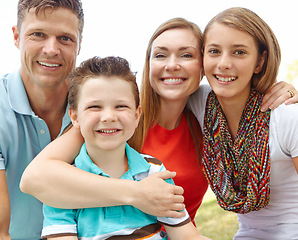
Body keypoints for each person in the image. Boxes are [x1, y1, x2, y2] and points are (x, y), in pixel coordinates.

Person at [20, 16, 298, 229]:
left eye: (187, 55)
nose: (172, 65)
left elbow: (244, 93)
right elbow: (35, 178)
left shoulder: (208, 116)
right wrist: (136, 193)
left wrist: (281, 88)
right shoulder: (118, 117)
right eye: (161, 55)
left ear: (203, 65)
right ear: (149, 63)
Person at [0, 1, 185, 239]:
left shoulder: (95, 110)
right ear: (16, 36)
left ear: (79, 44)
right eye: (38, 34)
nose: (51, 49)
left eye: (65, 38)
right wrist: (138, 193)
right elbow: (32, 183)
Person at [41, 56, 210, 240]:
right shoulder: (62, 186)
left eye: (121, 106)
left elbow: (187, 236)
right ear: (74, 117)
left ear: (137, 115)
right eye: (95, 106)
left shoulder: (154, 172)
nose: (108, 117)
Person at [189, 7, 298, 239]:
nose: (224, 63)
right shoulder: (199, 104)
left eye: (239, 52)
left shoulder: (286, 116)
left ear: (260, 62)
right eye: (214, 51)